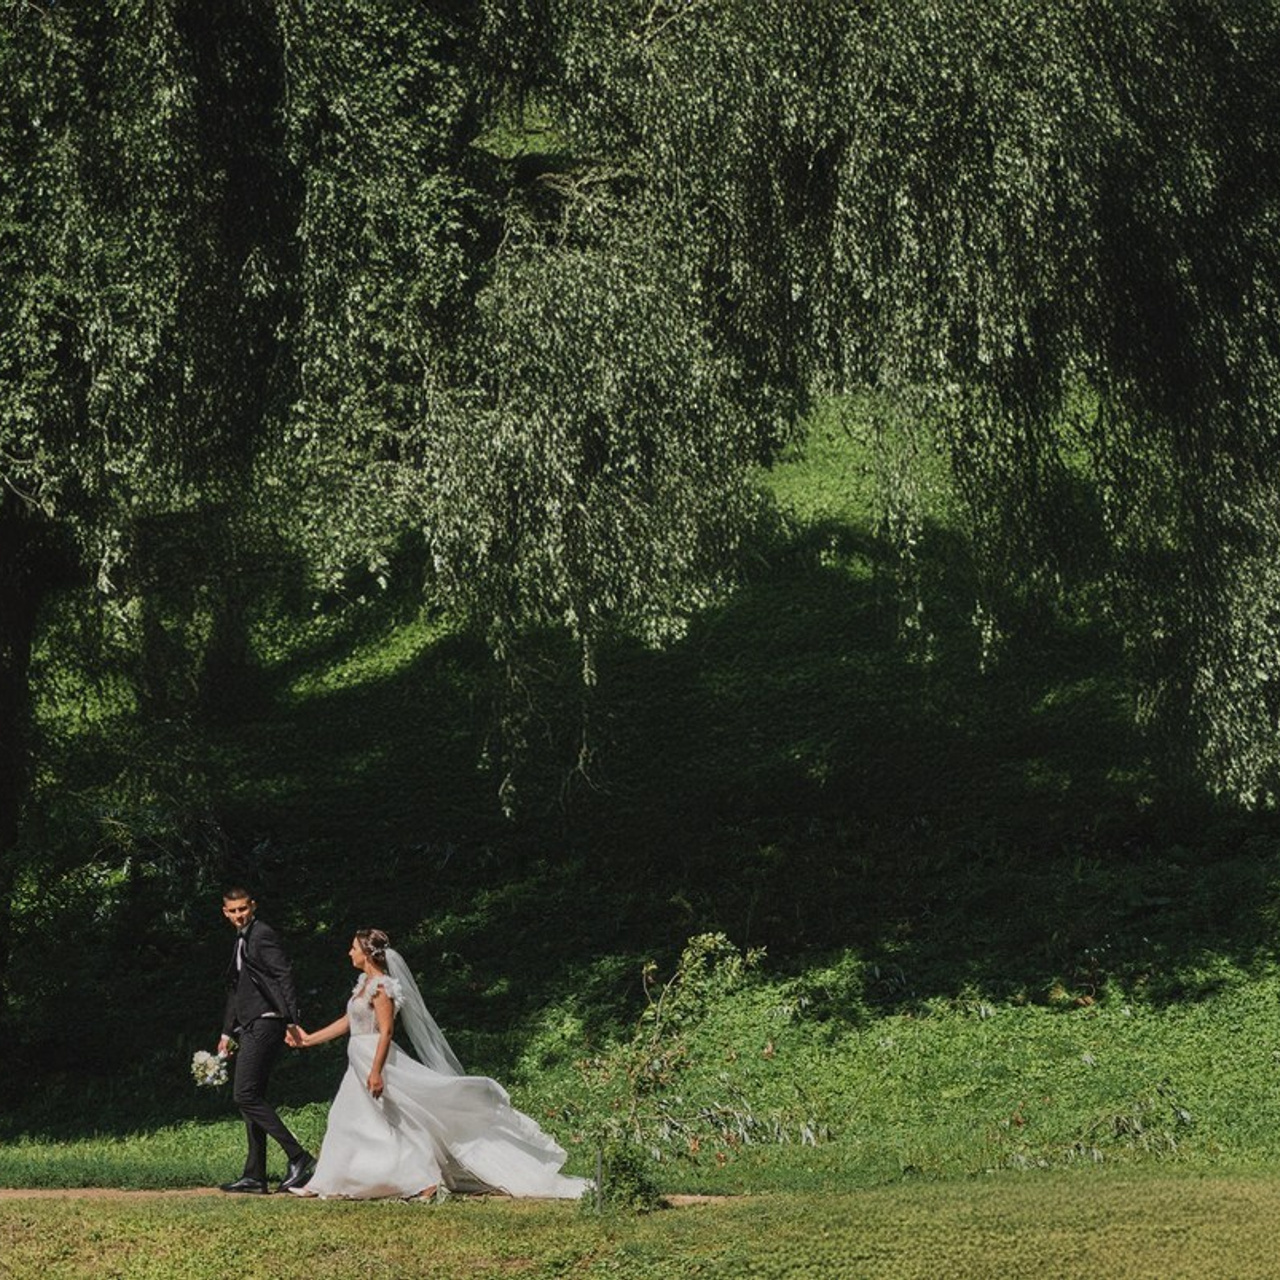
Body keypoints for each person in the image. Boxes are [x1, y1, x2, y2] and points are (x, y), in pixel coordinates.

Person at [289, 929, 590, 1201]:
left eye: (353, 948)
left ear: (367, 953)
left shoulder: (381, 987)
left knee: (394, 1118)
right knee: (346, 1118)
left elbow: (386, 1031)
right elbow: (348, 1022)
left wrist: (376, 1071)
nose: (349, 953)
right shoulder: (364, 984)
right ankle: (328, 1181)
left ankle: (417, 1180)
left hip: (374, 1057)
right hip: (358, 1058)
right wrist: (308, 1039)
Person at [216, 887, 315, 1194]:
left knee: (244, 1094)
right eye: (232, 911)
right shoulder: (241, 938)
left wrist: (291, 1021)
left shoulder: (262, 934)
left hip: (266, 1022)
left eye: (243, 909)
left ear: (253, 906)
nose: (238, 915)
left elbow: (284, 974)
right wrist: (226, 1031)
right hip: (248, 1025)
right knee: (252, 1097)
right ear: (225, 912)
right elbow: (237, 988)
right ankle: (254, 1174)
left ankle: (299, 1157)